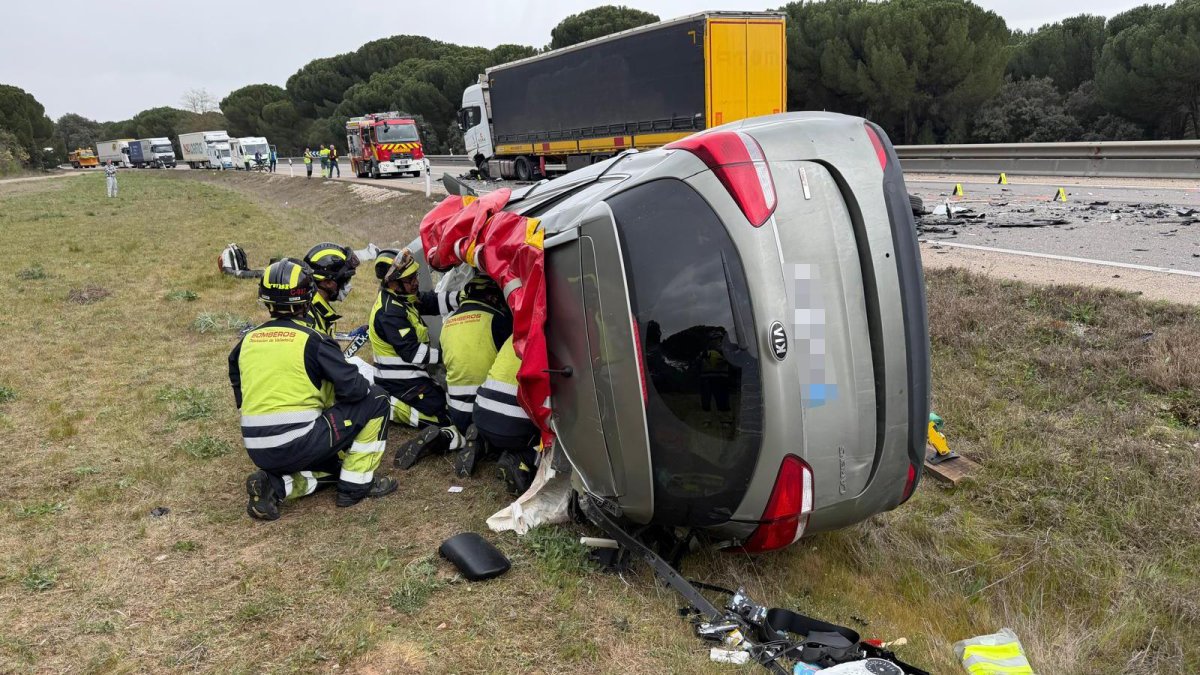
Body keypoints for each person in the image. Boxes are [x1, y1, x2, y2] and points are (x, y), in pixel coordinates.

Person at [229, 258, 396, 521]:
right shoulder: (314, 340)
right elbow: (355, 391)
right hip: (298, 443)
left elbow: (241, 394)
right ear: (307, 298)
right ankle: (356, 486)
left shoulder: (245, 341)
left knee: (332, 468)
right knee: (378, 399)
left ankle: (274, 485)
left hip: (257, 447)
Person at [367, 250, 466, 469]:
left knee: (450, 402)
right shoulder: (389, 313)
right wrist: (451, 355)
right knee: (445, 414)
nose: (415, 283)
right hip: (401, 383)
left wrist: (462, 297)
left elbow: (430, 301)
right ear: (393, 283)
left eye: (415, 277)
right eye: (409, 279)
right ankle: (392, 407)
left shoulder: (402, 297)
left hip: (413, 376)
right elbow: (414, 354)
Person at [439, 275, 512, 477]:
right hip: (487, 412)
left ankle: (450, 435)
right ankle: (483, 444)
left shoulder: (448, 323)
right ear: (493, 295)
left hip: (455, 410)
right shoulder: (498, 319)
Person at [473, 336, 540, 495]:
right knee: (557, 433)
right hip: (515, 423)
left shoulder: (515, 332)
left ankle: (482, 443)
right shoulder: (554, 333)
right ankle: (521, 458)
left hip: (481, 413)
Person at [303, 243, 360, 337]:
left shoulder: (315, 309)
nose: (348, 287)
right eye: (344, 281)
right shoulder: (311, 321)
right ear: (327, 282)